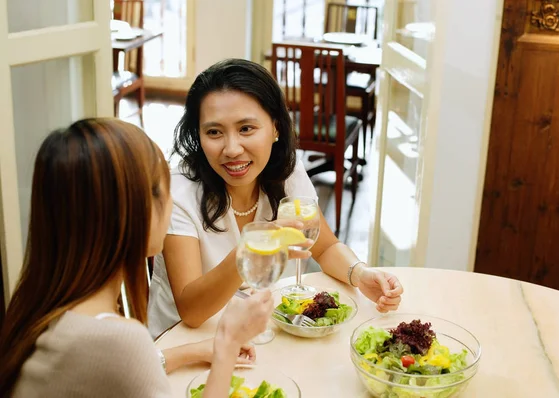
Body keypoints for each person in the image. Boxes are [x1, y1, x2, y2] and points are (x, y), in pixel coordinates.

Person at [0, 118, 273, 397]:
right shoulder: (117, 339)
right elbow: (118, 356)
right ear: (135, 211)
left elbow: (111, 366)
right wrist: (229, 340)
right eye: (166, 191)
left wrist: (190, 352)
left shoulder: (40, 310)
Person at [148, 58, 404, 338]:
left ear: (276, 128)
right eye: (214, 132)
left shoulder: (285, 172)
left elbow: (325, 248)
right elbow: (191, 311)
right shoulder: (180, 192)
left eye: (246, 128)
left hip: (254, 329)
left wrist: (360, 274)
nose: (232, 149)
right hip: (184, 342)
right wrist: (251, 250)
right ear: (198, 135)